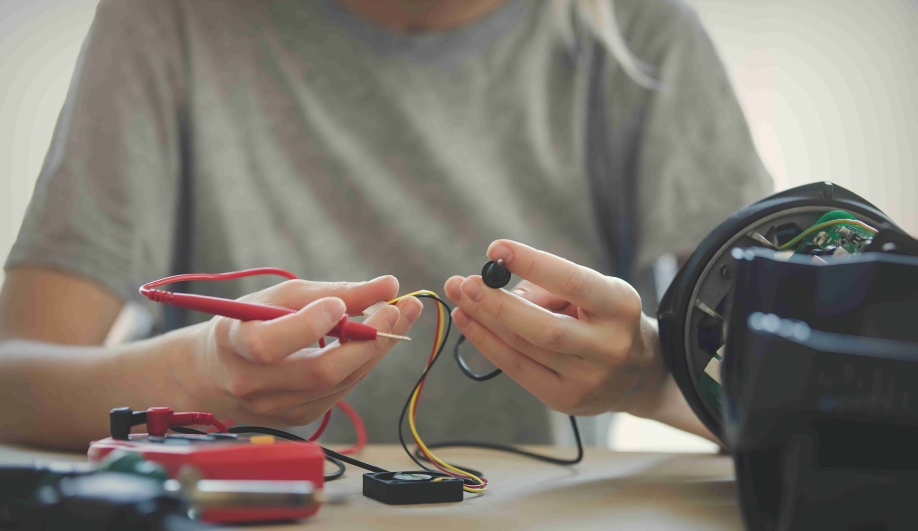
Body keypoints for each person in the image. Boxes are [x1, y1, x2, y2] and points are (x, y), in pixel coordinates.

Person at [0, 0, 771, 450]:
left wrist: (644, 374)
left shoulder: (641, 35)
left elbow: (796, 402)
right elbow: (12, 381)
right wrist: (201, 376)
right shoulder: (169, 20)